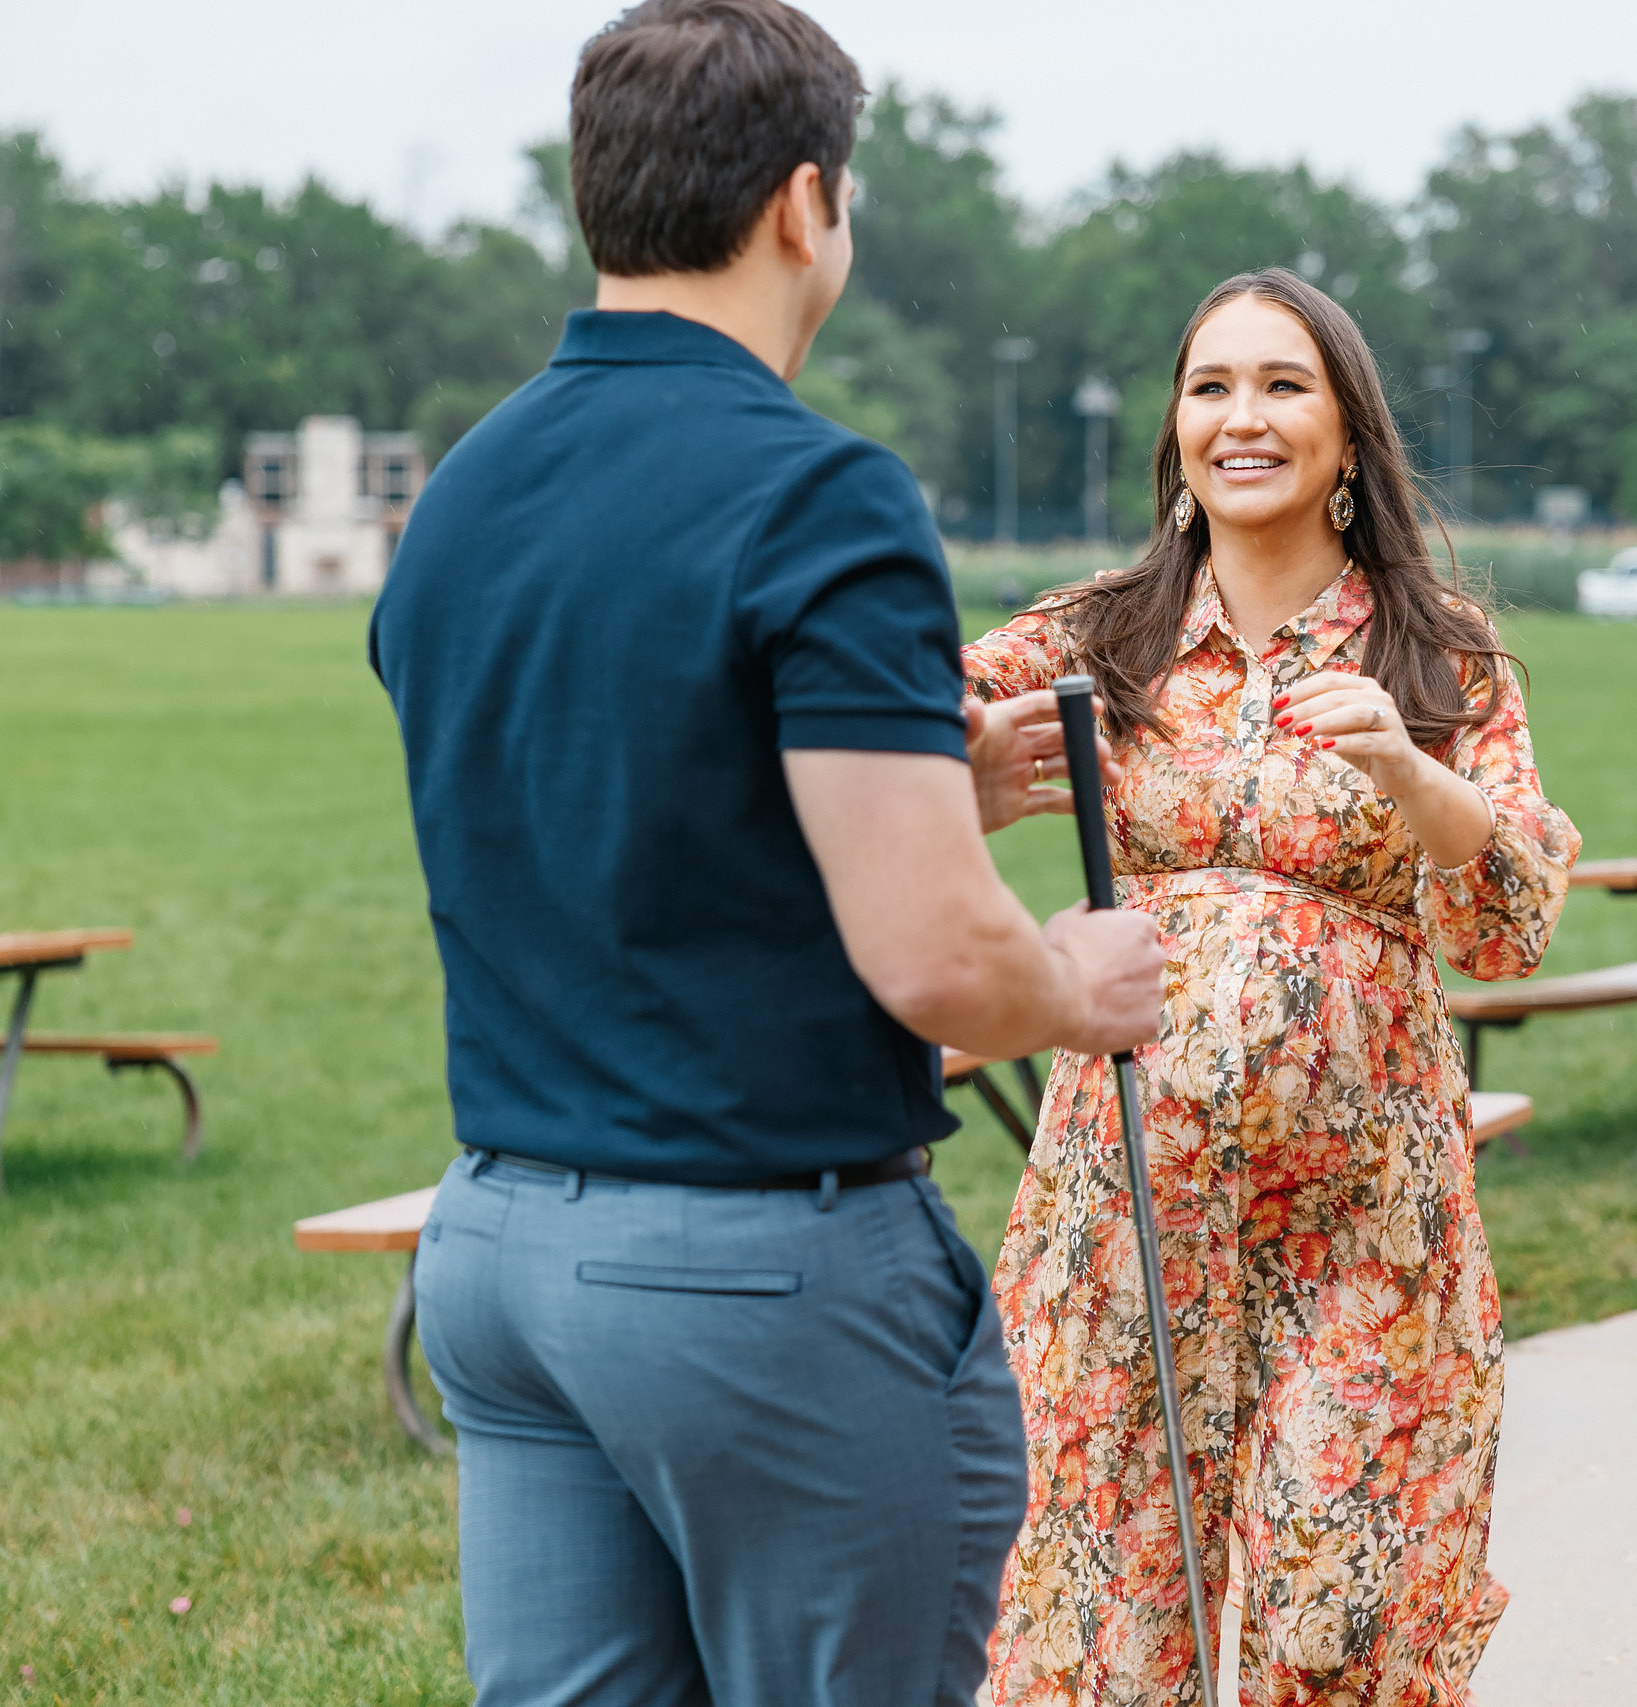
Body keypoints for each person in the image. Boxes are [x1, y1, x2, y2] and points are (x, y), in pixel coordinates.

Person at [365, 4, 1164, 1703]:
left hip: (498, 1253)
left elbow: (602, 805)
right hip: (751, 1268)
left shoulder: (464, 491)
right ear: (808, 204)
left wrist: (921, 786)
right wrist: (1077, 987)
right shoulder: (820, 495)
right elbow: (943, 962)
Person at [962, 268, 1582, 1704]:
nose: (1243, 417)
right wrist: (954, 746)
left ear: (1349, 435)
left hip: (1367, 1236)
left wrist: (1411, 773)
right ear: (1176, 432)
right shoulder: (1095, 639)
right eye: (1212, 386)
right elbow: (890, 702)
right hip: (1116, 1226)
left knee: (1344, 1624)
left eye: (1283, 384)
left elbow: (1510, 926)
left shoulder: (1441, 656)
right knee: (1102, 1617)